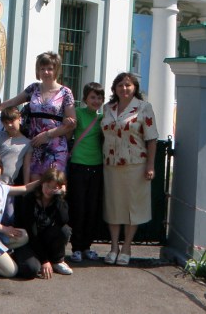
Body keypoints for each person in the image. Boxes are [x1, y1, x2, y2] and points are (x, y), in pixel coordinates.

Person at [101, 72, 158, 266]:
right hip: (111, 163)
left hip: (135, 163)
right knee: (114, 205)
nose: (124, 89)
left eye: (128, 85)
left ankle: (127, 246)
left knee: (132, 206)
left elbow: (151, 138)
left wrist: (150, 165)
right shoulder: (108, 108)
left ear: (135, 88)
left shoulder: (144, 108)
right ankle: (114, 246)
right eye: (120, 85)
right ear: (114, 89)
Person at [1, 51, 76, 179]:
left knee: (53, 184)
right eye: (42, 69)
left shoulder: (65, 92)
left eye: (49, 69)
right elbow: (13, 101)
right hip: (34, 144)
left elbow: (72, 123)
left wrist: (47, 135)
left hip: (55, 146)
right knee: (34, 185)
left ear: (56, 70)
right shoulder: (33, 88)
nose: (46, 72)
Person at [66, 81, 105, 263]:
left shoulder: (103, 118)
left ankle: (87, 246)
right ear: (85, 99)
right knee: (78, 207)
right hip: (78, 165)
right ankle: (76, 247)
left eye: (99, 97)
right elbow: (69, 131)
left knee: (92, 209)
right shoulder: (79, 114)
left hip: (96, 166)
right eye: (92, 97)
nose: (96, 101)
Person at [13, 167, 73, 278]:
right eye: (47, 185)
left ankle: (57, 260)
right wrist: (44, 260)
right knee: (31, 270)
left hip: (44, 240)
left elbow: (64, 219)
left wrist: (59, 196)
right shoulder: (30, 199)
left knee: (65, 230)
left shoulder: (57, 200)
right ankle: (38, 261)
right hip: (28, 241)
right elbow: (32, 233)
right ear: (42, 183)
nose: (49, 190)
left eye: (54, 188)